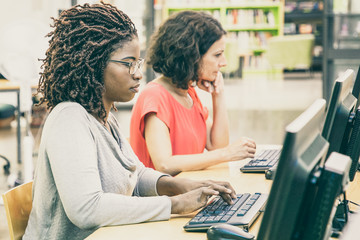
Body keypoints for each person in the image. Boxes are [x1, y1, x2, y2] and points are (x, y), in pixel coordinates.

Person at [23, 3, 236, 239]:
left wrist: (179, 186)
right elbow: (86, 209)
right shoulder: (69, 118)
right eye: (128, 64)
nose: (137, 73)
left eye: (138, 63)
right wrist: (174, 204)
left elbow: (136, 176)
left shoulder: (106, 119)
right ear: (94, 64)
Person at [130, 11, 257, 176]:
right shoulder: (154, 96)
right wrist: (227, 154)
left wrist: (218, 95)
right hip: (164, 200)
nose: (224, 62)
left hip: (189, 193)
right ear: (192, 56)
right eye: (217, 55)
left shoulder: (188, 93)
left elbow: (217, 145)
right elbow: (164, 164)